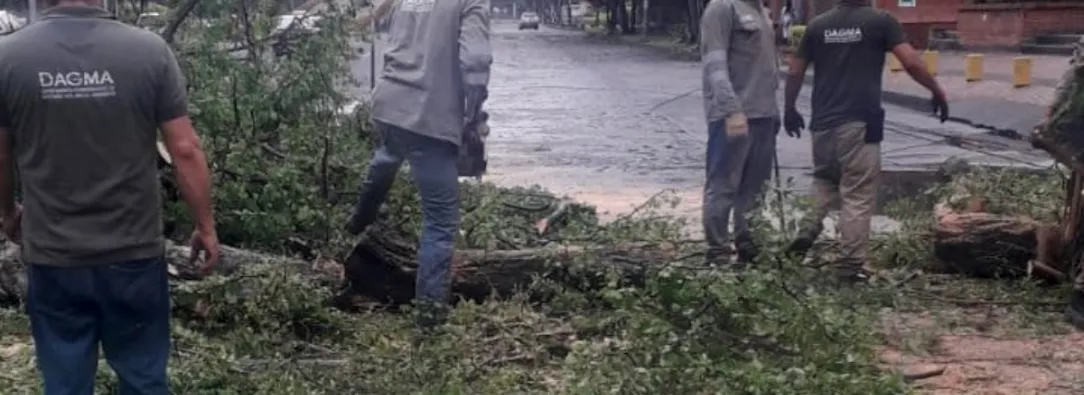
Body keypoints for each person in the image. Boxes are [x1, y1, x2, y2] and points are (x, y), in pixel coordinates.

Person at [0, 0, 219, 392]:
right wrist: (206, 226)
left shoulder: (8, 58)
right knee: (143, 377)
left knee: (65, 382)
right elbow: (184, 149)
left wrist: (6, 212)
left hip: (54, 256)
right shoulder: (149, 51)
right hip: (133, 254)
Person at [345, 0, 492, 327]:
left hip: (389, 103)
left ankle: (356, 222)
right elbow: (476, 62)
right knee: (440, 224)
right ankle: (428, 322)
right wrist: (472, 114)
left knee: (388, 154)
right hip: (428, 116)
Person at [781, 0, 947, 282]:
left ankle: (808, 228)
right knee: (857, 193)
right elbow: (910, 61)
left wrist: (789, 109)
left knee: (824, 180)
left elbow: (795, 71)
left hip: (822, 123)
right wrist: (937, 90)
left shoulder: (817, 25)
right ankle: (848, 266)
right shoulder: (881, 21)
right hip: (859, 122)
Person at [698, 0, 780, 265]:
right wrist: (731, 109)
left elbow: (769, 69)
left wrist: (774, 113)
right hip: (733, 118)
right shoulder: (722, 8)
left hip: (763, 115)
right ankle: (718, 253)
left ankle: (748, 248)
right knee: (723, 187)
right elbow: (715, 65)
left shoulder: (761, 12)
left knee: (755, 190)